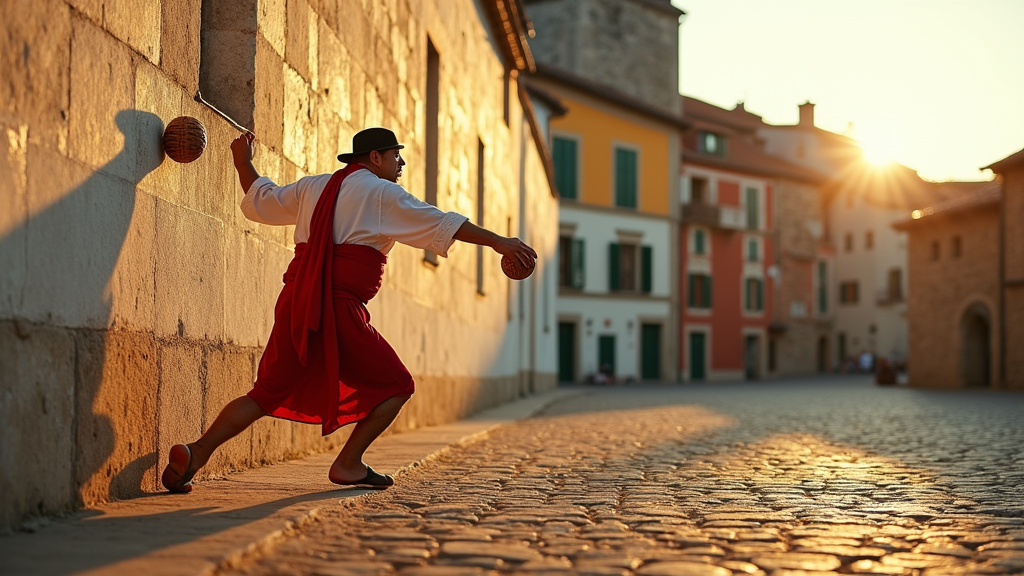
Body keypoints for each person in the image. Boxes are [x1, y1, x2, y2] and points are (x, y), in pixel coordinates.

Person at [161, 127, 537, 492]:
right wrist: (499, 242)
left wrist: (243, 162)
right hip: (337, 307)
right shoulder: (382, 193)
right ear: (375, 158)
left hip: (295, 300)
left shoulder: (312, 186)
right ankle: (348, 463)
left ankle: (197, 452)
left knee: (265, 393)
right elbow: (442, 222)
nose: (401, 163)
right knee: (397, 385)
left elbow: (263, 199)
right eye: (395, 156)